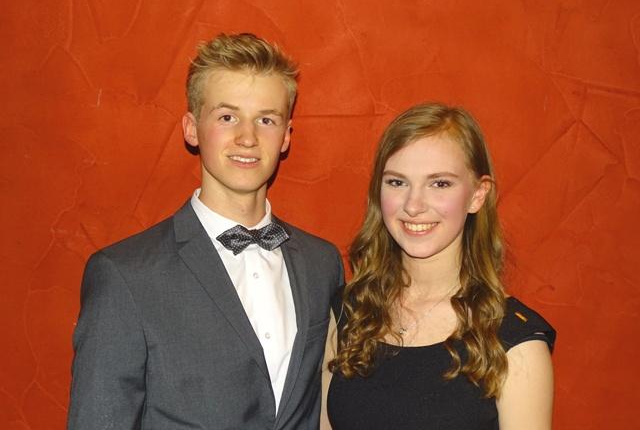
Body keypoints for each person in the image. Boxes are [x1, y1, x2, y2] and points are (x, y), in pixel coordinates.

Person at [67, 33, 344, 430]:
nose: (247, 137)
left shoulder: (322, 264)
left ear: (286, 136)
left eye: (266, 120)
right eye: (227, 117)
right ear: (192, 129)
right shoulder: (125, 275)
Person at [321, 103, 555, 430]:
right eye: (397, 182)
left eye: (440, 184)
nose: (413, 205)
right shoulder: (350, 310)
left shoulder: (515, 342)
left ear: (477, 195)